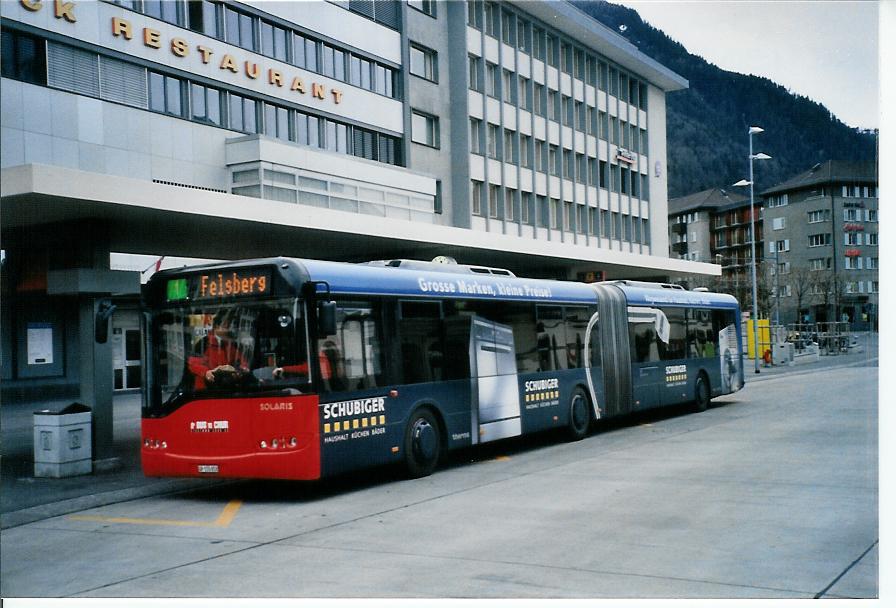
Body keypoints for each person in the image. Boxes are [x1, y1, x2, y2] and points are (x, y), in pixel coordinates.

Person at [188, 310, 250, 389]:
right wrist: (206, 372)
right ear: (216, 326)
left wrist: (239, 372)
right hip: (205, 389)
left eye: (229, 325)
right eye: (225, 325)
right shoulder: (204, 342)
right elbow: (192, 363)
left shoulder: (232, 343)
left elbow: (242, 362)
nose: (229, 327)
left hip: (228, 388)